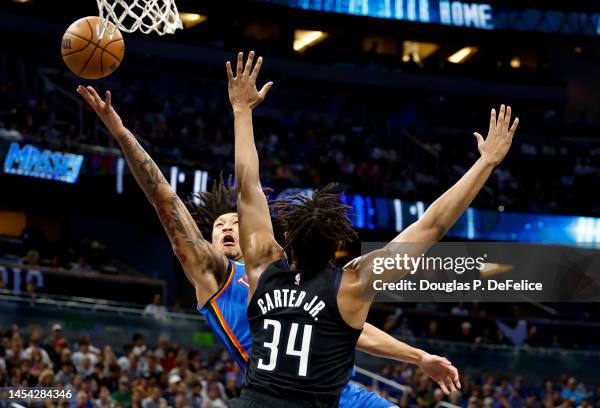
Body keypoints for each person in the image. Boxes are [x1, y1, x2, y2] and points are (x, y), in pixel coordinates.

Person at [76, 82, 458, 408]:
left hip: (338, 390)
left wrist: (417, 355)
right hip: (280, 392)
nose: (227, 228)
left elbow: (353, 328)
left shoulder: (284, 270)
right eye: (219, 226)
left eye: (235, 224)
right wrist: (124, 134)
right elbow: (167, 201)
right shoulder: (215, 274)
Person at [226, 51, 518, 407]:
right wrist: (486, 163)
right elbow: (433, 224)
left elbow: (248, 185)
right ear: (337, 244)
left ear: (285, 238)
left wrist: (242, 112)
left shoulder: (262, 264)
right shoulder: (351, 285)